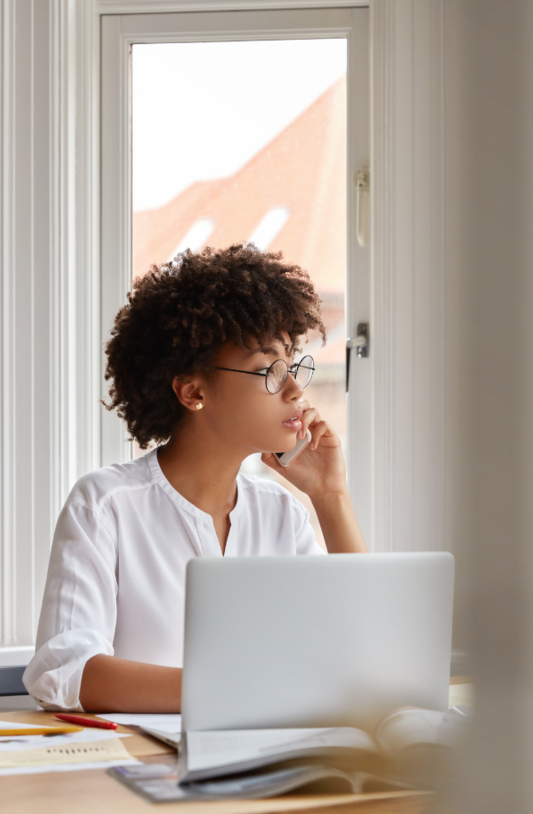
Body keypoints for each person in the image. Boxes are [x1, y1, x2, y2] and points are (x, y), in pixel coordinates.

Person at [22, 244, 365, 712]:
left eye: (292, 366)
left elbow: (364, 656)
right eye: (269, 370)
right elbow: (63, 671)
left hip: (268, 757)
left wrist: (331, 496)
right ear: (193, 391)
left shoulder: (281, 514)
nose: (294, 390)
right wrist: (235, 691)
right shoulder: (105, 504)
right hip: (140, 768)